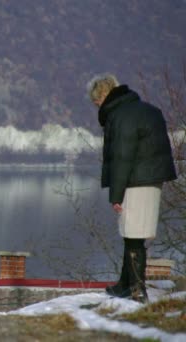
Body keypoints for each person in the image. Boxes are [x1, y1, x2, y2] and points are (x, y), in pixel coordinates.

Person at [87, 73, 177, 303]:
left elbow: (122, 157)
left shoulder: (122, 116)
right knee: (132, 233)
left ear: (103, 95)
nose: (96, 106)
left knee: (134, 235)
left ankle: (136, 290)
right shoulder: (146, 109)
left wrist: (115, 196)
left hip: (135, 181)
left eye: (96, 101)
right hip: (152, 179)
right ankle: (124, 285)